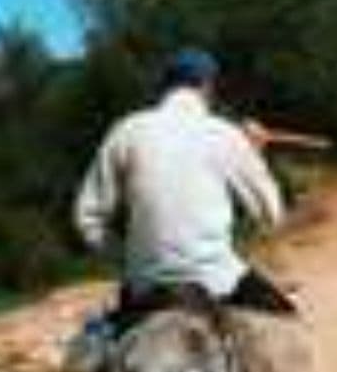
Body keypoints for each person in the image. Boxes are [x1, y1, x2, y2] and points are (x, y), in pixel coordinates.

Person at [73, 48, 296, 322]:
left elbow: (87, 217)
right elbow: (271, 214)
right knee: (288, 321)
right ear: (208, 86)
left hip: (145, 287)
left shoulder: (126, 129)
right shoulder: (226, 134)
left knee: (101, 349)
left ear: (164, 86)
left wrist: (127, 258)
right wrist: (255, 152)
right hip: (217, 279)